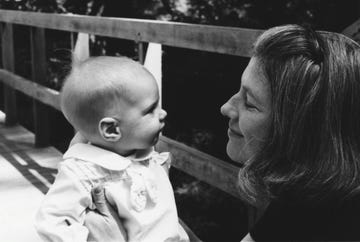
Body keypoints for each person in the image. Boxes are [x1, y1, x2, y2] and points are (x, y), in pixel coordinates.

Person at [82, 24, 360, 241]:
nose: (226, 107)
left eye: (250, 103)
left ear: (299, 130)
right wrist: (157, 219)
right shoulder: (306, 195)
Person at [35, 56, 189, 242]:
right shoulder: (84, 172)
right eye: (150, 110)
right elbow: (52, 221)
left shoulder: (141, 152)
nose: (163, 113)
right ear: (111, 129)